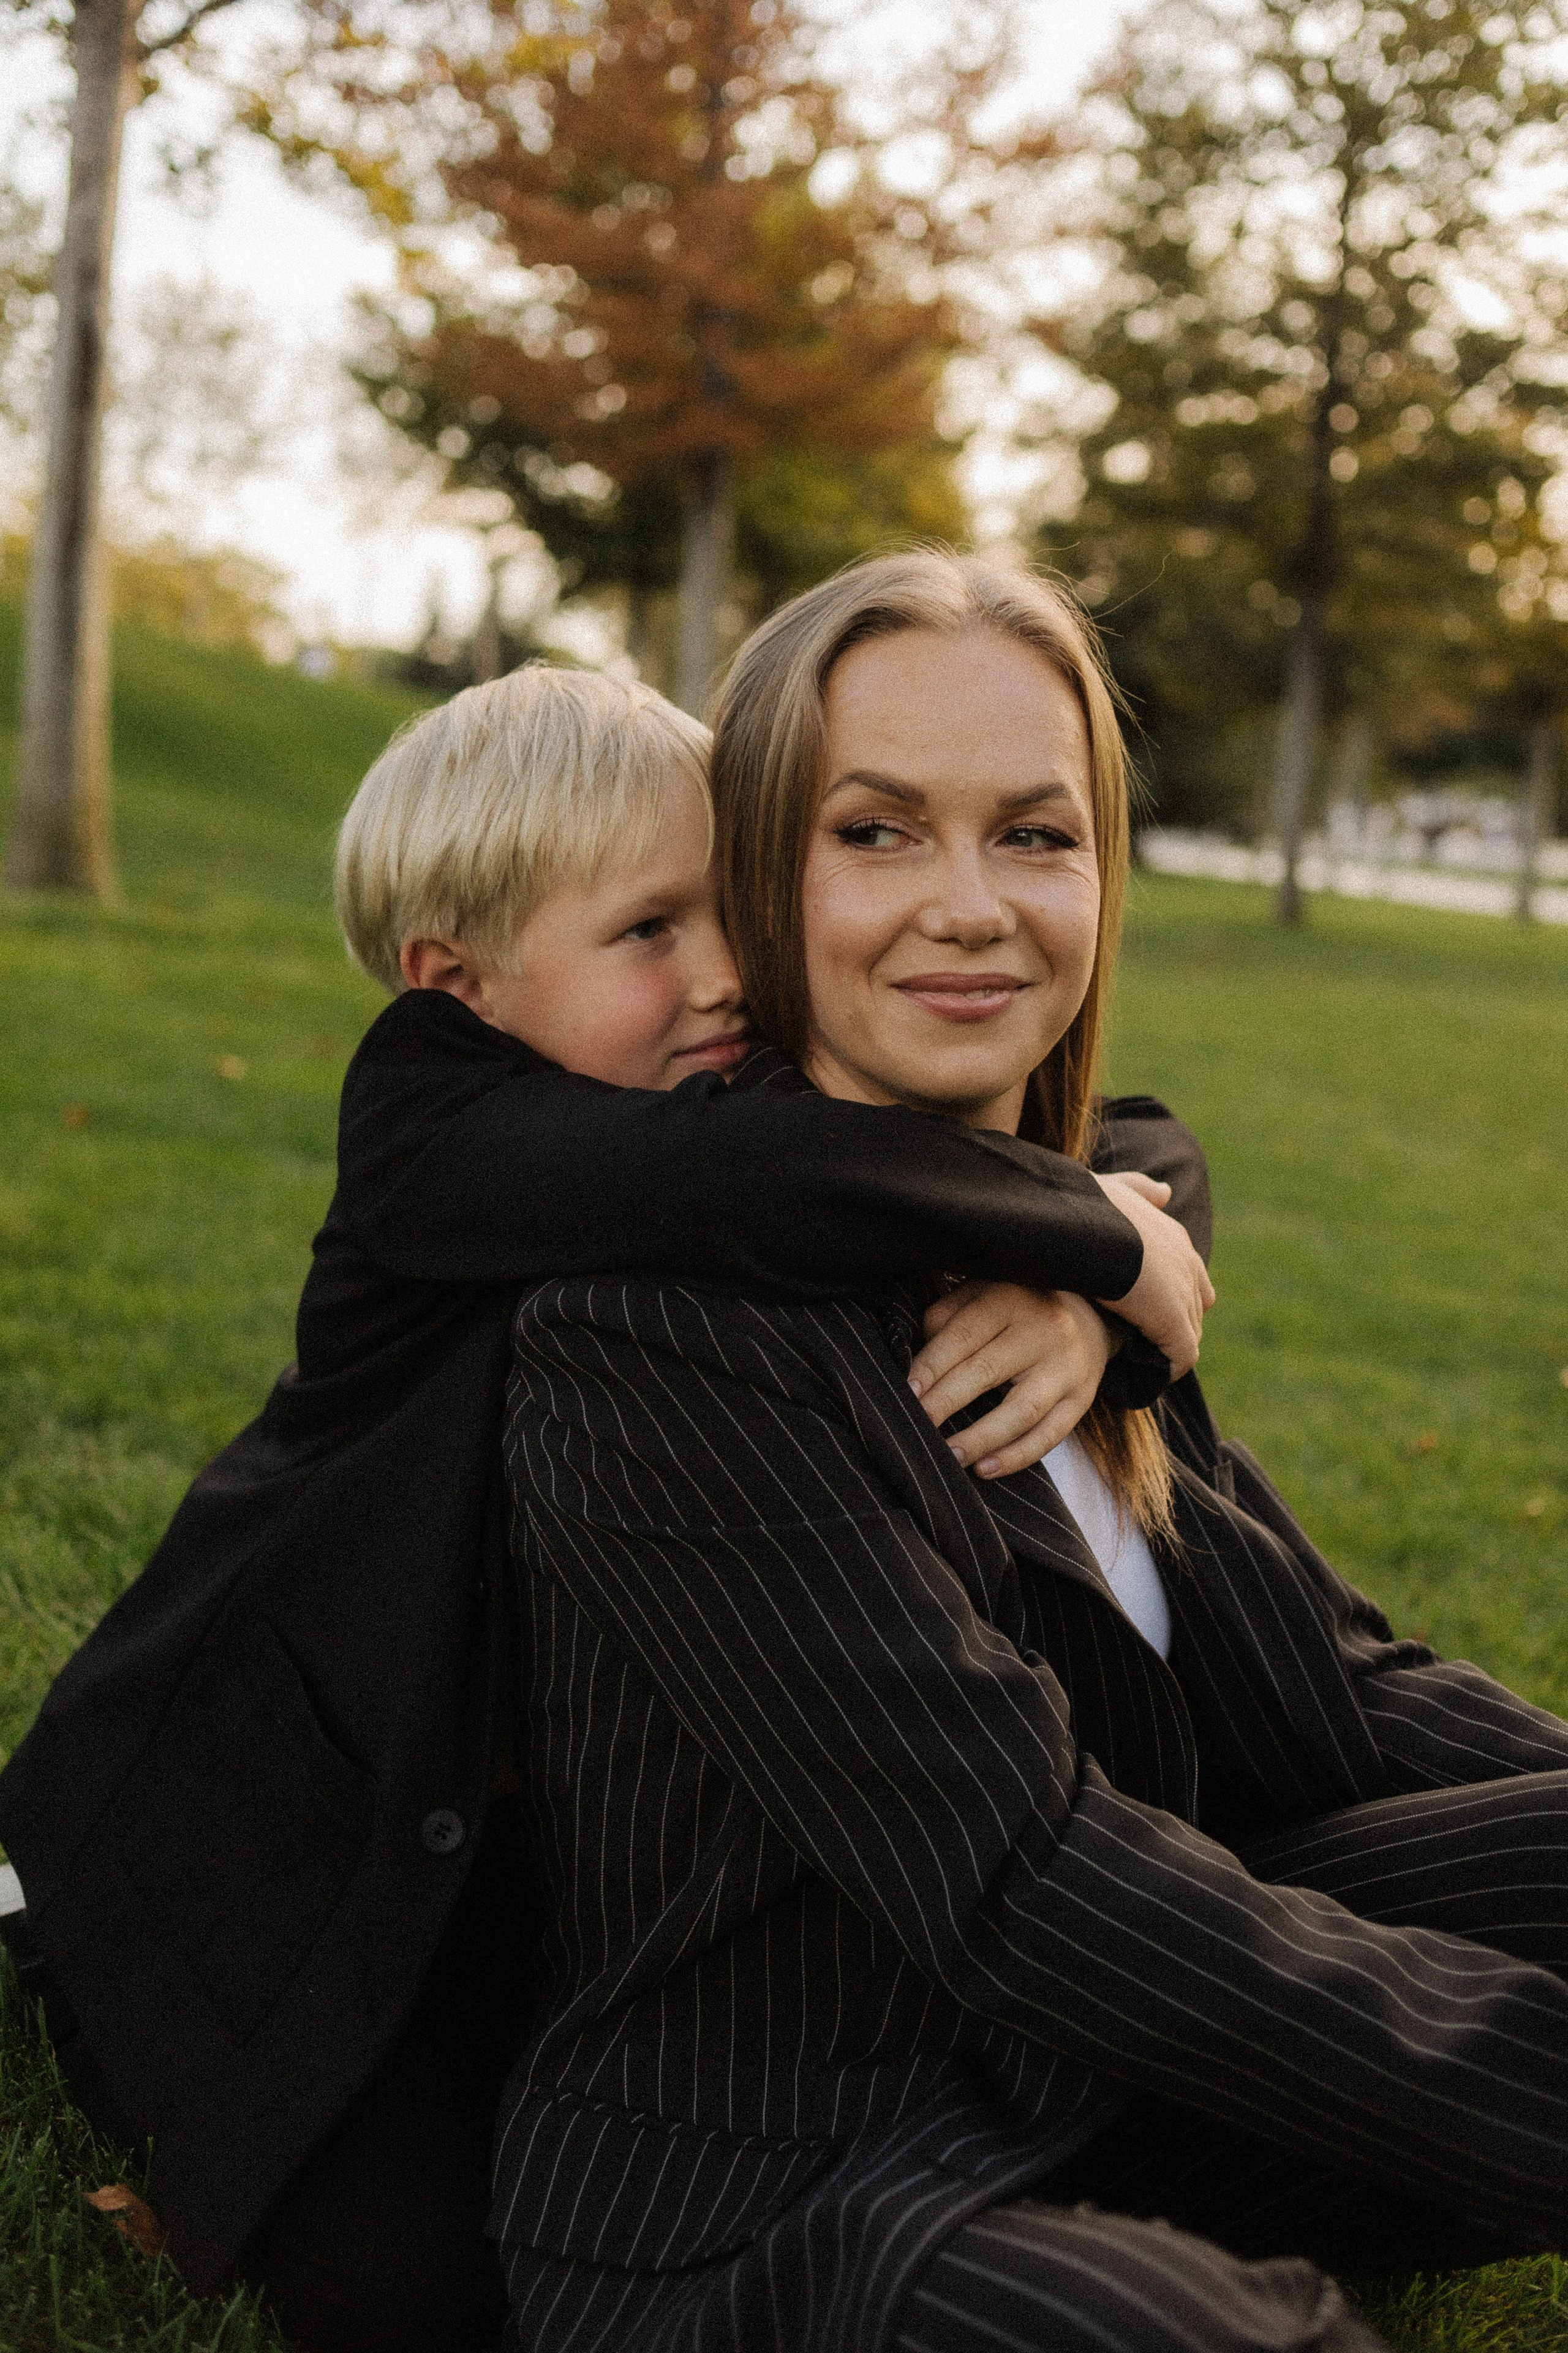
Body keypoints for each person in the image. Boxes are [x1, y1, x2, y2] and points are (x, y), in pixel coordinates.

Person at [0, 662, 1212, 2352]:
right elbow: (758, 1182)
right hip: (278, 1797)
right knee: (405, 2288)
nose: (724, 974)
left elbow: (1111, 1120)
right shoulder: (434, 1120)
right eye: (649, 931)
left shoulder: (713, 1071)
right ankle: (76, 1946)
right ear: (460, 980)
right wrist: (1096, 1234)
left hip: (509, 1808)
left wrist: (1120, 1259)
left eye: (733, 910)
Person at [494, 552, 1568, 2353]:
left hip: (1099, 2053)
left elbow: (1341, 1678)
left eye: (1037, 834)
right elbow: (1019, 1869)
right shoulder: (657, 1337)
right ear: (765, 868)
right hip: (799, 2170)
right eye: (881, 829)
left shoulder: (1079, 1250)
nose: (973, 904)